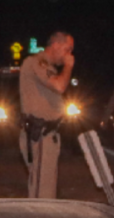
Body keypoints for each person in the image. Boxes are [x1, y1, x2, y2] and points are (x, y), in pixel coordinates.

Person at [18, 32, 75, 198]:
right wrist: (69, 66)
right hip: (40, 133)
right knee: (42, 191)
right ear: (56, 44)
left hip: (47, 134)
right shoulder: (36, 62)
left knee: (45, 187)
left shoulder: (48, 67)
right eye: (67, 49)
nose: (69, 54)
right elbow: (58, 86)